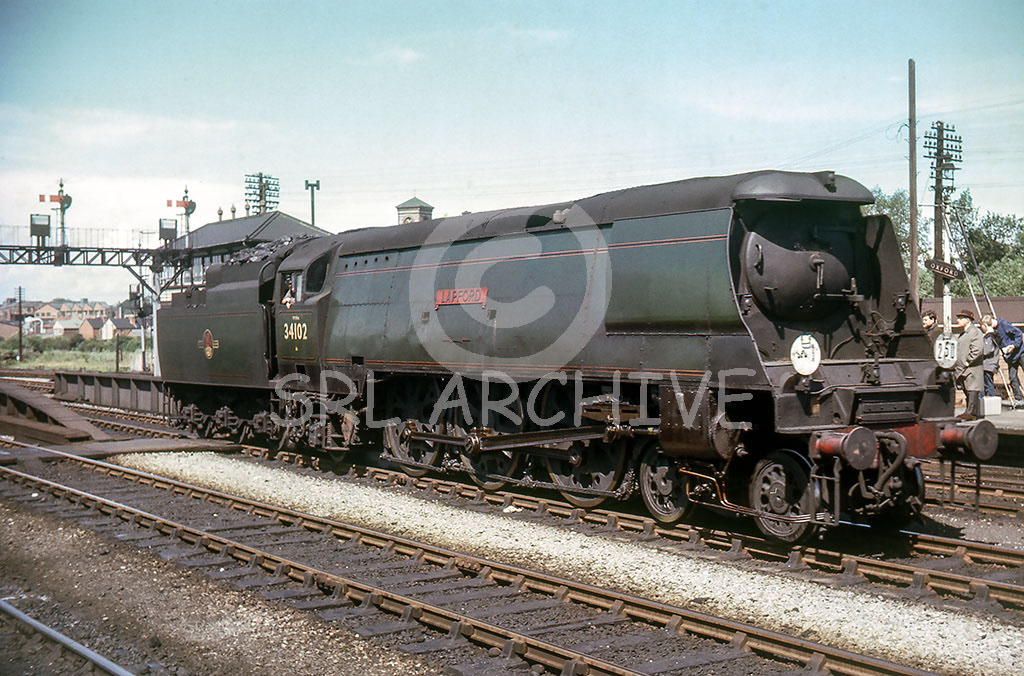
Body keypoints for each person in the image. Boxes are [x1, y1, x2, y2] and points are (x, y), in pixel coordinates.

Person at [983, 313, 1024, 406]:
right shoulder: (993, 331)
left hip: (1020, 352)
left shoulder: (1003, 324)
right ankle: (1019, 399)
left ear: (987, 325)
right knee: (1012, 378)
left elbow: (1019, 334)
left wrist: (1013, 345)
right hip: (1010, 357)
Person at [954, 309, 984, 420]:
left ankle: (971, 413)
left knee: (972, 390)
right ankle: (969, 411)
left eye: (960, 318)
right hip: (964, 368)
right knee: (967, 389)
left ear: (967, 320)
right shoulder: (964, 333)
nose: (958, 320)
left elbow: (977, 350)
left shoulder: (975, 332)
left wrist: (968, 361)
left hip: (971, 368)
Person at [982, 320, 999, 398]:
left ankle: (990, 402)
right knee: (987, 384)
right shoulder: (994, 336)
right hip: (989, 365)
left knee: (988, 384)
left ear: (985, 325)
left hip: (988, 365)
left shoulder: (989, 337)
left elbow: (987, 350)